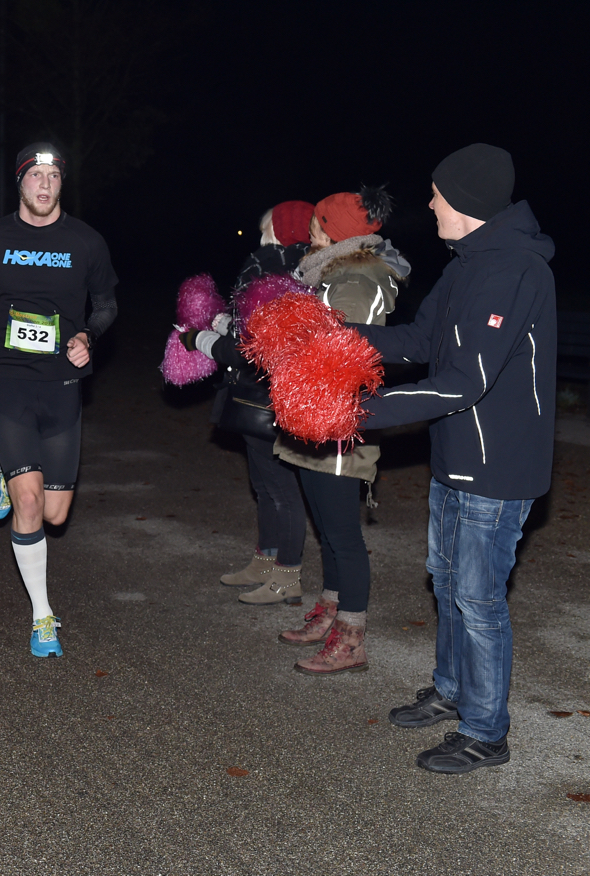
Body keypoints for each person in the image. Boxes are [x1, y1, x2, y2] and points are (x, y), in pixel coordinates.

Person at [355, 145, 555, 773]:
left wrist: (359, 413)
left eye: (439, 193)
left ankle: (486, 731)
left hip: (498, 470)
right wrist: (339, 336)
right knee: (446, 583)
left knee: (478, 599)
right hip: (455, 455)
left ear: (465, 203)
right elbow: (419, 340)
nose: (432, 202)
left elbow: (467, 379)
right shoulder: (466, 263)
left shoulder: (516, 270)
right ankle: (452, 690)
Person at [0, 143, 118, 657]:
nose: (44, 184)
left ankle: (4, 474)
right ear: (20, 182)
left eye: (54, 176)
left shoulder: (85, 241)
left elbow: (106, 304)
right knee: (31, 505)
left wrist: (87, 338)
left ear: (63, 183)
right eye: (35, 175)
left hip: (62, 387)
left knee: (58, 515)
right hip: (10, 384)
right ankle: (43, 617)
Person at [271, 187, 409, 676]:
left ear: (334, 231)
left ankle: (351, 637)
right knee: (327, 531)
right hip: (314, 417)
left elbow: (338, 353)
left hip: (338, 423)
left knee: (343, 536)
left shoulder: (358, 279)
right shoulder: (328, 271)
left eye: (317, 222)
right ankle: (330, 612)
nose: (309, 230)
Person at [191, 202, 313, 595]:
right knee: (265, 482)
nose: (261, 236)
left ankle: (286, 575)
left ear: (279, 231)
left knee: (279, 487)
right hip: (278, 388)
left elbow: (248, 346)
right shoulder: (307, 269)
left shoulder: (265, 265)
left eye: (266, 229)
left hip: (262, 391)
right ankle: (266, 561)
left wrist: (203, 340)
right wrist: (227, 322)